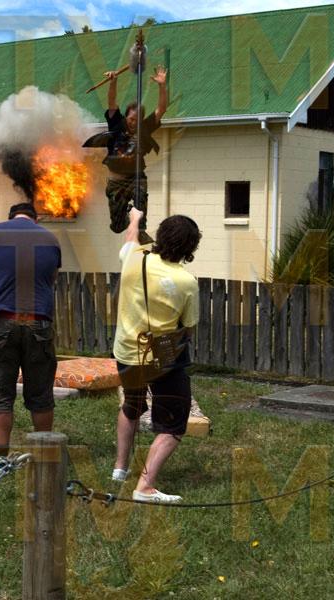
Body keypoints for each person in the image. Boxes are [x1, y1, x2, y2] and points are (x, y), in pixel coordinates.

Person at [112, 207, 201, 504]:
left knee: (132, 405)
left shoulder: (134, 258)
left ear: (161, 236)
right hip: (163, 358)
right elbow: (188, 328)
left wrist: (135, 218)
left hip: (127, 351)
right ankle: (145, 487)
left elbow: (130, 237)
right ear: (190, 248)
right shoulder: (186, 282)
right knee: (173, 424)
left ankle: (119, 469)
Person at [0, 202, 62, 467]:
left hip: (3, 322)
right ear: (35, 219)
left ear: (10, 217)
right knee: (41, 393)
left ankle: (1, 457)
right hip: (38, 323)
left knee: (0, 392)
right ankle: (43, 454)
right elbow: (51, 279)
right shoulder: (51, 239)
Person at [90, 65, 169, 240]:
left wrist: (162, 86)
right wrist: (113, 82)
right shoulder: (117, 124)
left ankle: (140, 228)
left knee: (140, 195)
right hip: (116, 181)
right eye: (131, 119)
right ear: (126, 117)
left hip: (136, 178)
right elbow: (112, 103)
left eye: (137, 120)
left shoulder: (144, 128)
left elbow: (161, 109)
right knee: (117, 227)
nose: (134, 123)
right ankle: (126, 215)